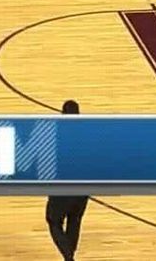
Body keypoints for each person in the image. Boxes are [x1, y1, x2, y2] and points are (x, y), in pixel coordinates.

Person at [46, 99, 89, 261]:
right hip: (84, 186)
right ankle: (69, 256)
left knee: (54, 221)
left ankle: (69, 257)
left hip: (63, 186)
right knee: (75, 219)